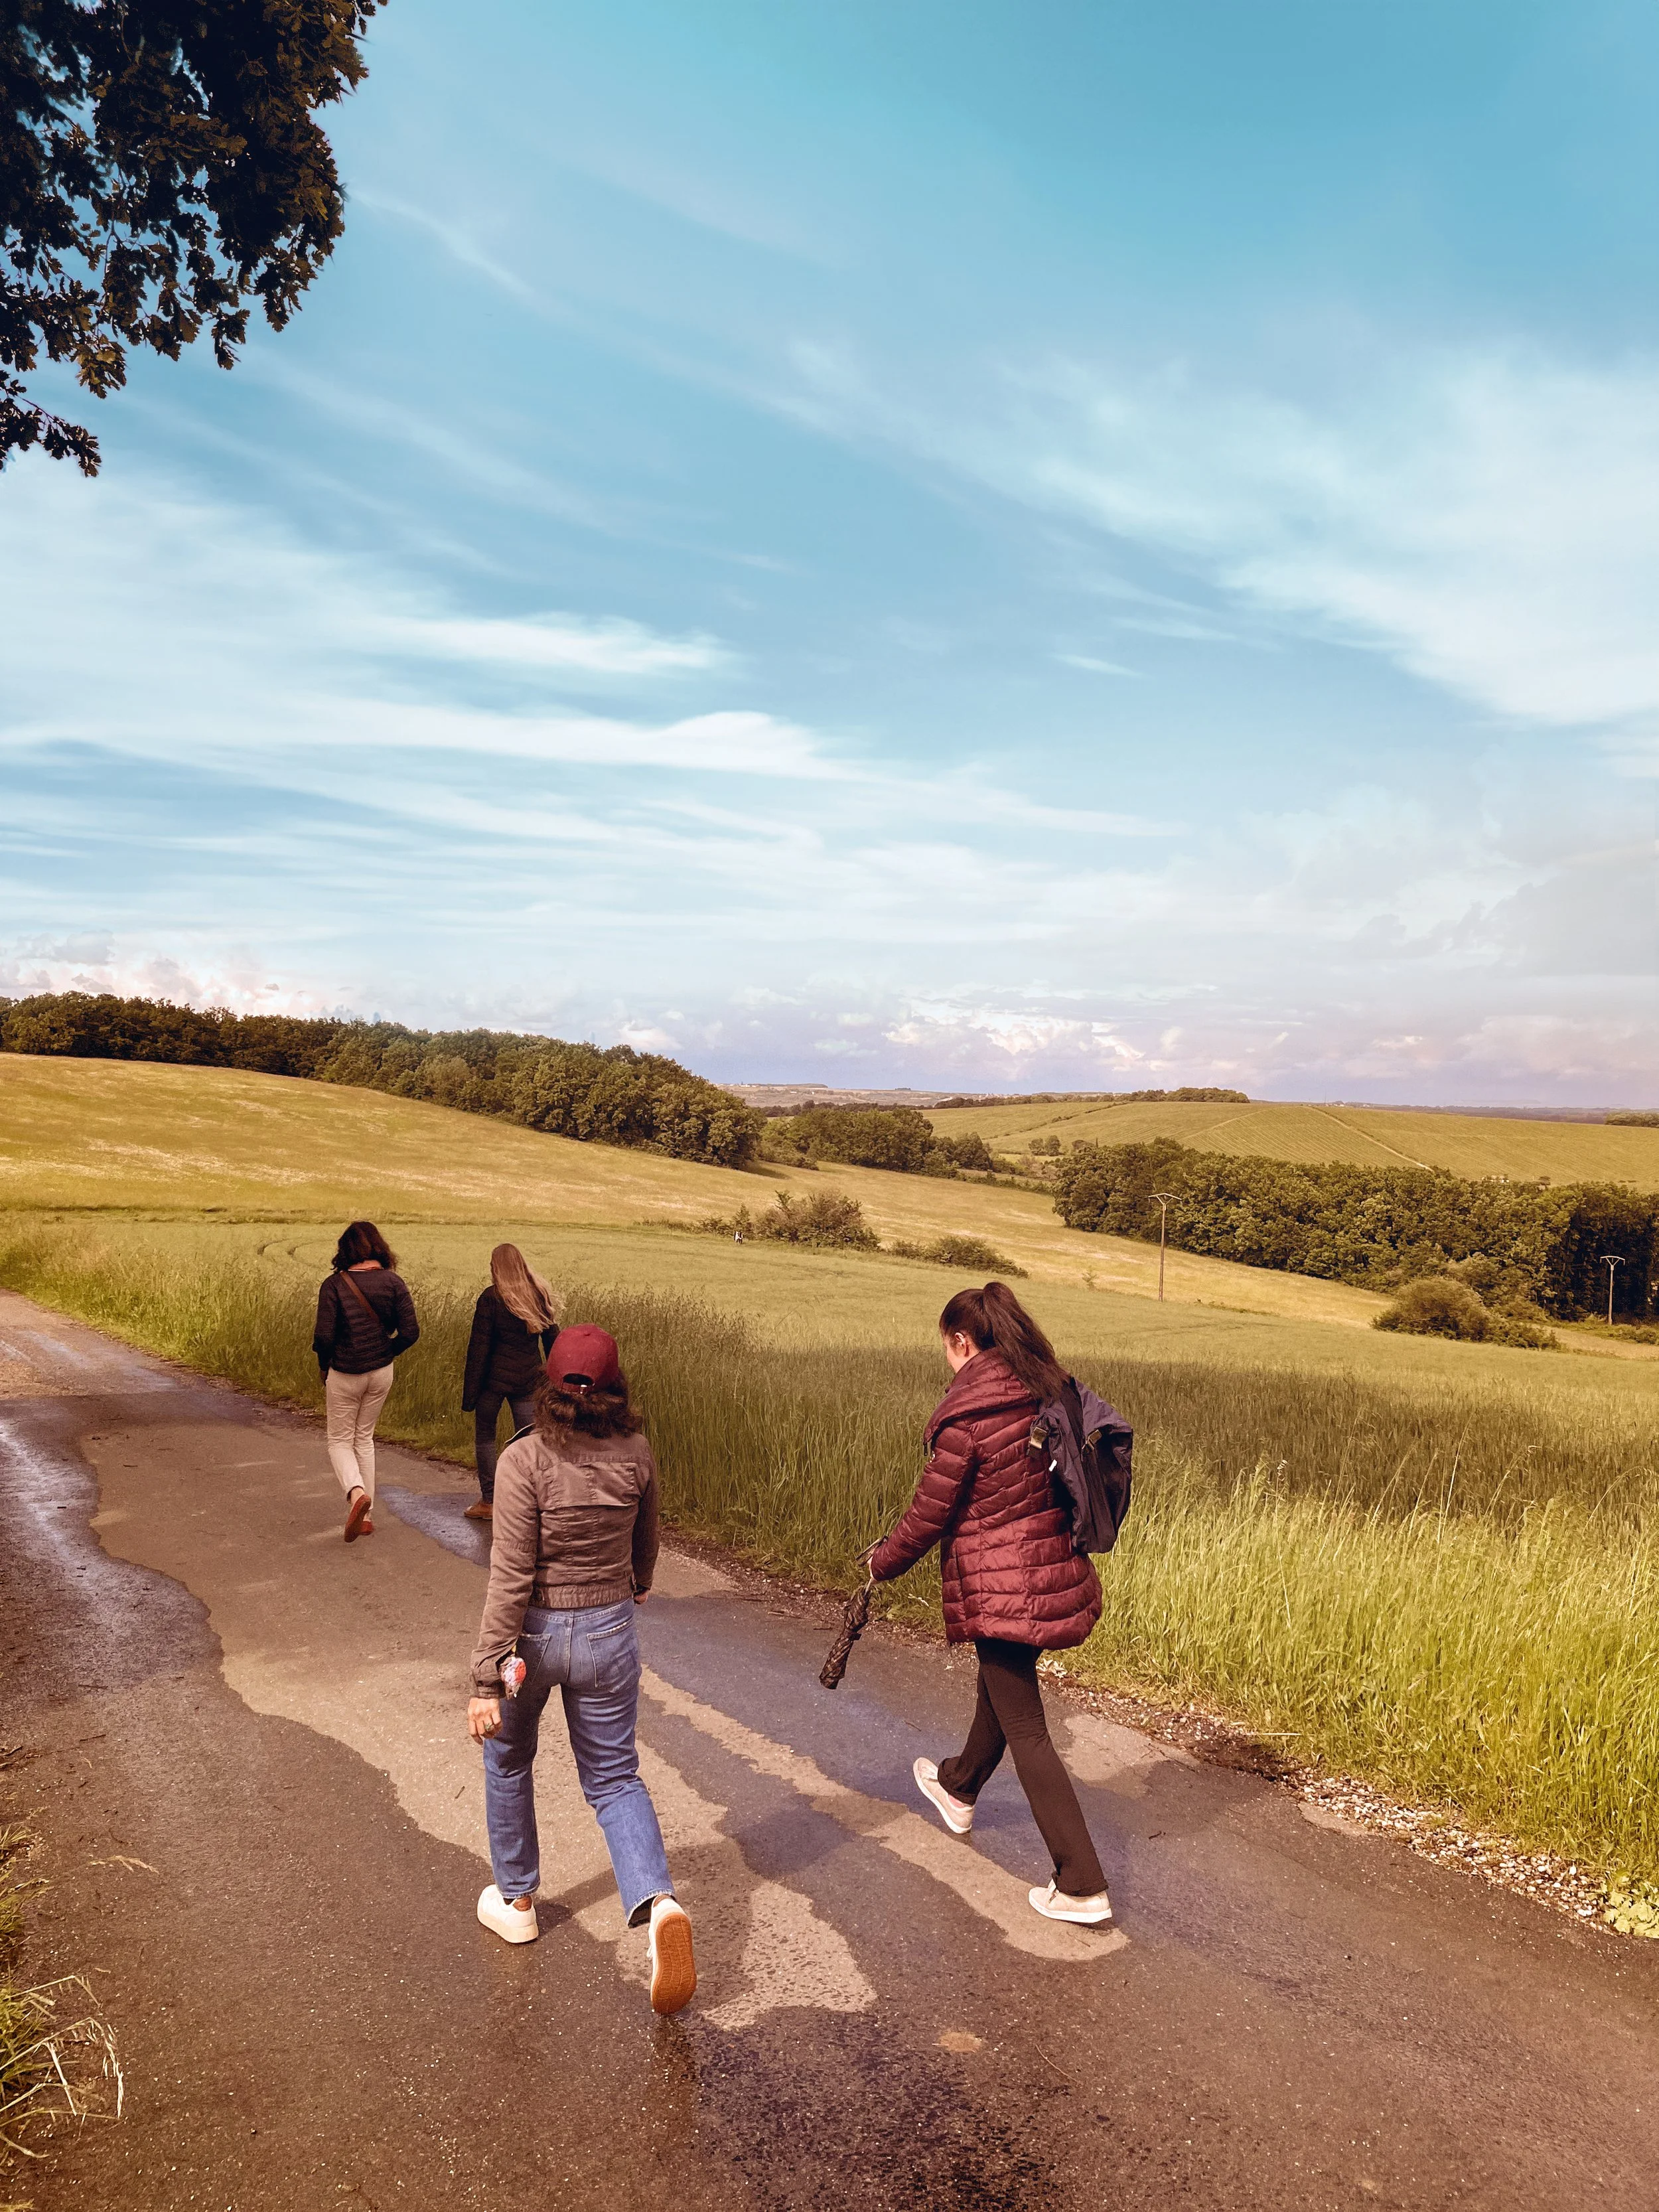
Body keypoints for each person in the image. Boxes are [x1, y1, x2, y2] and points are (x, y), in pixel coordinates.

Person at [466, 1322, 696, 2015]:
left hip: (533, 1637)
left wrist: (485, 1677)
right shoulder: (635, 1450)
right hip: (609, 1629)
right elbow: (648, 1534)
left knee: (507, 1761)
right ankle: (659, 1906)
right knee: (615, 1776)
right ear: (614, 1385)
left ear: (548, 1381)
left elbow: (509, 1578)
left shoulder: (523, 1459)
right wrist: (641, 1578)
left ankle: (517, 1900)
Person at [868, 1282, 1114, 1925]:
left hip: (1003, 1585)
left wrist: (881, 1561)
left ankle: (1081, 1882)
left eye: (945, 1348)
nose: (946, 1360)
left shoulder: (969, 1417)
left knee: (1027, 1728)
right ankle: (958, 1787)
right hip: (1046, 1569)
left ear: (960, 1341)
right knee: (1002, 1690)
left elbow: (928, 1515)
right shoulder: (1042, 1387)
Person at [313, 1221, 421, 1543]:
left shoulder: (333, 1286)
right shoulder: (394, 1283)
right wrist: (387, 1351)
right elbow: (411, 1333)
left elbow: (323, 1337)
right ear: (379, 1247)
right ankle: (366, 1518)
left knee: (339, 1441)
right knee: (364, 1439)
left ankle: (356, 1493)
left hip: (345, 1372)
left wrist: (325, 1367)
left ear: (344, 1250)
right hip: (381, 1372)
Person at [461, 1244, 562, 1523]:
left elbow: (478, 1349)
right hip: (528, 1380)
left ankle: (490, 1501)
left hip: (491, 1383)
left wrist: (470, 1394)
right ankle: (529, 1502)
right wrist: (555, 1380)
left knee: (485, 1438)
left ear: (496, 1267)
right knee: (528, 1443)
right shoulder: (537, 1295)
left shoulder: (491, 1298)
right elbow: (553, 1341)